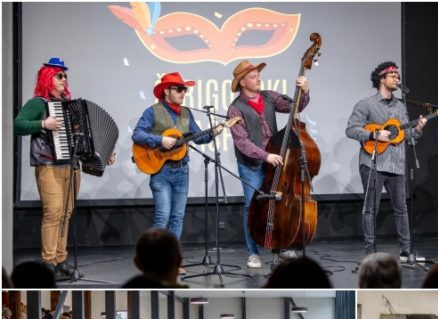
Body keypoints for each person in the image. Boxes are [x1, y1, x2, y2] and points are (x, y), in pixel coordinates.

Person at [13, 58, 112, 274]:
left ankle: (60, 258)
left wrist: (103, 154)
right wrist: (42, 124)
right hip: (48, 164)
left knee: (66, 213)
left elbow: (83, 137)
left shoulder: (71, 106)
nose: (64, 79)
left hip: (72, 167)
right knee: (53, 212)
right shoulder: (38, 104)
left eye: (65, 76)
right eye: (60, 75)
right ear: (48, 77)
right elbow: (17, 125)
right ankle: (48, 261)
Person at [226, 59, 311, 269]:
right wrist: (265, 156)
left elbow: (295, 108)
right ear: (243, 82)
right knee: (251, 206)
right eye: (253, 77)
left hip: (275, 159)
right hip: (251, 164)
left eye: (258, 75)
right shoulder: (235, 109)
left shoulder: (270, 96)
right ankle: (253, 253)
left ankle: (280, 246)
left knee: (279, 203)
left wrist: (305, 92)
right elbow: (242, 142)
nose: (258, 79)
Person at [346, 61, 425, 262]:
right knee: (371, 208)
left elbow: (402, 135)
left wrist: (416, 130)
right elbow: (351, 129)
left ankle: (406, 251)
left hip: (396, 164)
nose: (397, 79)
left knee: (402, 209)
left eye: (398, 76)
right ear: (382, 78)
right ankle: (370, 253)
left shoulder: (401, 106)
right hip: (373, 162)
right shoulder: (366, 104)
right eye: (393, 75)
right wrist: (373, 134)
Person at [131, 72, 224, 239]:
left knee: (177, 217)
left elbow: (199, 137)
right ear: (167, 91)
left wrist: (213, 132)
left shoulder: (187, 113)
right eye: (179, 89)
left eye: (185, 89)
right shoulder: (152, 111)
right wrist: (160, 140)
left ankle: (172, 258)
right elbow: (137, 134)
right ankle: (155, 258)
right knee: (163, 216)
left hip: (182, 171)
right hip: (161, 172)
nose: (183, 93)